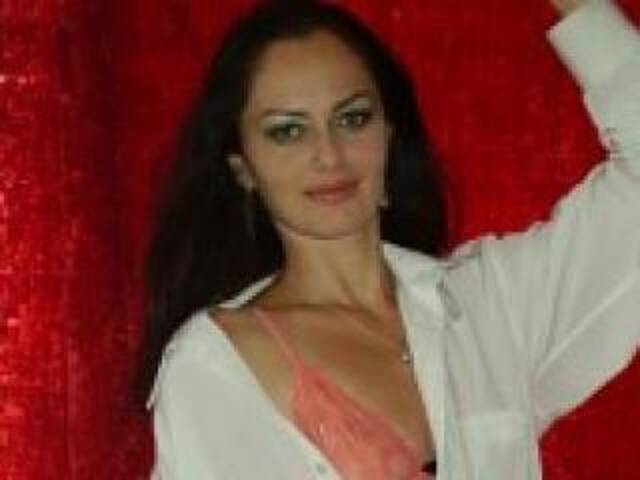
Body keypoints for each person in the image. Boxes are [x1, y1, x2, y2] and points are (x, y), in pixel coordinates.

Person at [141, 0, 640, 478]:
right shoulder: (216, 366)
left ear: (389, 133)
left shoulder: (488, 308)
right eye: (288, 131)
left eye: (352, 118)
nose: (329, 155)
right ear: (242, 167)